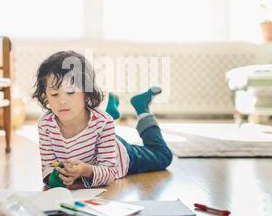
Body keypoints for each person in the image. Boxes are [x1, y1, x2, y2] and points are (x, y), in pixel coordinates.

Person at [33, 50, 173, 189]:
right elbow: (48, 169)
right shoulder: (45, 125)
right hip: (100, 133)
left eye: (70, 92)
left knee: (162, 156)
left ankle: (142, 109)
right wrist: (56, 178)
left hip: (121, 155)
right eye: (54, 94)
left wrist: (84, 170)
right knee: (103, 122)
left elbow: (110, 173)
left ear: (87, 94)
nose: (62, 101)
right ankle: (111, 112)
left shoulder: (104, 123)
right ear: (45, 95)